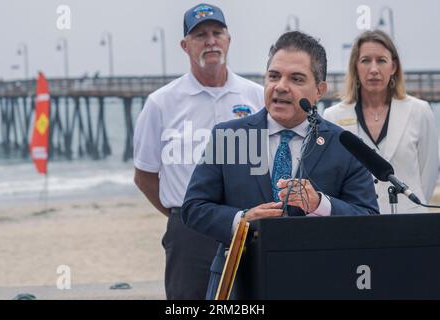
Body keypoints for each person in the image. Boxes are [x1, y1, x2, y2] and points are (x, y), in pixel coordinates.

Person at [182, 31, 379, 258]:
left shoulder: (345, 145)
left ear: (319, 91)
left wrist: (320, 204)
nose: (281, 87)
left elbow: (369, 218)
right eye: (274, 76)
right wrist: (242, 220)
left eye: (296, 79)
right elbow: (194, 208)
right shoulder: (228, 136)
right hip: (242, 279)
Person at [133, 3, 264, 300]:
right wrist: (182, 213)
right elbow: (144, 175)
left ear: (229, 39)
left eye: (217, 33)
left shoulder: (256, 96)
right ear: (185, 45)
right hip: (190, 230)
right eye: (200, 35)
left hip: (248, 224)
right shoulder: (161, 103)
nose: (210, 41)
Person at [324, 30, 439, 214]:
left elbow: (429, 174)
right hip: (358, 223)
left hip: (410, 223)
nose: (374, 69)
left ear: (393, 66)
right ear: (355, 66)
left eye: (381, 60)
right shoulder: (333, 117)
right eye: (366, 60)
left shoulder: (420, 111)